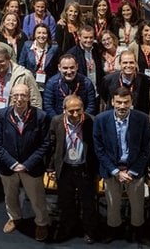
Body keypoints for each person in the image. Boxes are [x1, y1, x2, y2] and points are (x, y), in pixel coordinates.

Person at [0, 82, 52, 242]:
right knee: (10, 195)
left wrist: (26, 164)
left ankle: (41, 222)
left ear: (29, 96)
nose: (19, 99)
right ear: (11, 97)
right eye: (16, 95)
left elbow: (45, 144)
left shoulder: (40, 116)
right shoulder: (2, 115)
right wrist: (13, 164)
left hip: (31, 167)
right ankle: (15, 217)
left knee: (37, 198)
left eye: (23, 95)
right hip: (7, 166)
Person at [93, 86, 150, 243]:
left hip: (134, 171)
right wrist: (115, 171)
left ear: (132, 102)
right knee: (112, 205)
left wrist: (131, 172)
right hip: (112, 170)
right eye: (118, 102)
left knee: (137, 206)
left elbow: (146, 149)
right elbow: (99, 150)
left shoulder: (142, 119)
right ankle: (114, 230)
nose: (122, 106)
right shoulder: (100, 120)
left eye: (126, 102)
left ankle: (137, 231)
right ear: (112, 101)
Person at [47, 94, 100, 244]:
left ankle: (89, 231)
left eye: (78, 110)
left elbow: (98, 147)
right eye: (71, 111)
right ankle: (69, 228)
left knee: (88, 203)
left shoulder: (92, 121)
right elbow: (51, 145)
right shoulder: (56, 121)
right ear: (64, 110)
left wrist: (97, 171)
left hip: (85, 169)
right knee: (66, 202)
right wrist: (51, 168)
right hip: (65, 169)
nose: (75, 114)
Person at [43, 53, 97, 118]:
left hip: (82, 120)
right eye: (65, 68)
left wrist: (82, 118)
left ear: (77, 66)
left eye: (72, 67)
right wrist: (58, 121)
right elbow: (48, 106)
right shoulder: (51, 83)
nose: (69, 71)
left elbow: (91, 105)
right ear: (59, 68)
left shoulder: (87, 83)